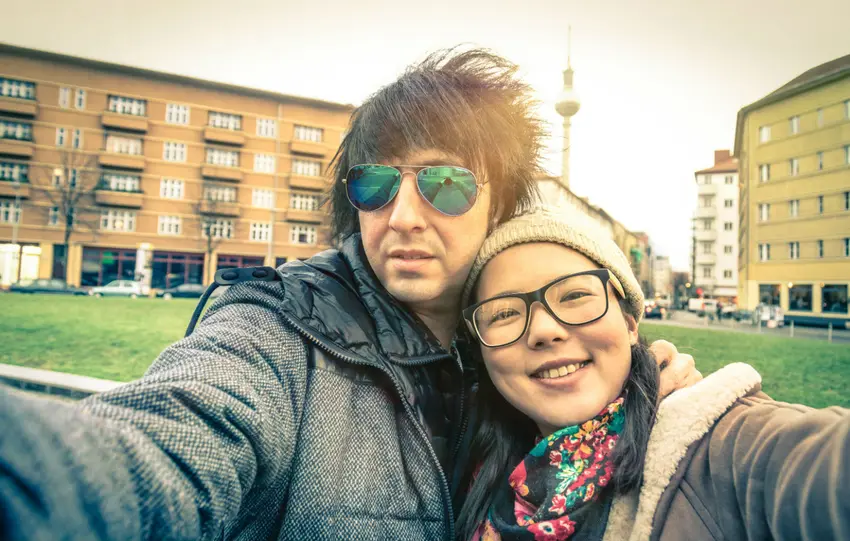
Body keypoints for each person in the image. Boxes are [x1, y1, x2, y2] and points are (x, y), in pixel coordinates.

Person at [0, 49, 699, 541]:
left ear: (502, 203)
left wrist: (642, 387)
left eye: (445, 183)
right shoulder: (277, 331)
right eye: (375, 184)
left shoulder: (511, 353)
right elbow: (166, 445)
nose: (403, 216)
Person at [455, 208, 850, 541]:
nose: (544, 330)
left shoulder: (716, 449)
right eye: (503, 313)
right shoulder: (469, 462)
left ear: (629, 324)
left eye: (575, 295)